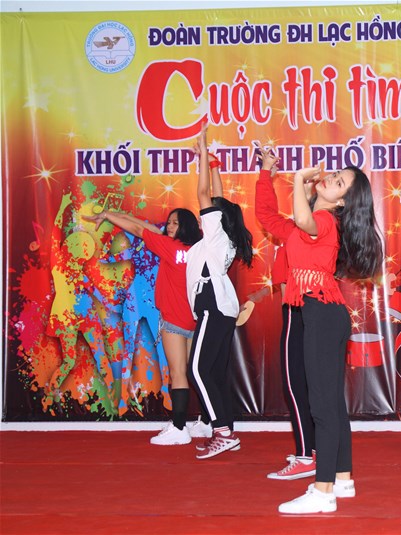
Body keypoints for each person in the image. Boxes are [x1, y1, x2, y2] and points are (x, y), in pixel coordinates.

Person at [272, 160, 382, 514]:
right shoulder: (324, 218)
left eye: (339, 182)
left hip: (322, 316)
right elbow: (293, 222)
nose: (331, 179)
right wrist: (304, 191)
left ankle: (323, 492)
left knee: (322, 406)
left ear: (342, 202)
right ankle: (343, 478)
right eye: (335, 175)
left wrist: (296, 180)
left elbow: (304, 221)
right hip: (326, 315)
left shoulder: (323, 220)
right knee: (332, 403)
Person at [84, 206, 210, 445]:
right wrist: (113, 214)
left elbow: (137, 229)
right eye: (169, 222)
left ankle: (179, 427)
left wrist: (108, 216)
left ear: (186, 226)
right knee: (196, 373)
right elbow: (146, 227)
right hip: (196, 320)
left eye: (175, 223)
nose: (169, 226)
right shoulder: (198, 249)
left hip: (174, 321)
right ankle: (206, 422)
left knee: (178, 373)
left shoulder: (170, 247)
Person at [187, 124, 253, 460]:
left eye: (212, 210)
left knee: (197, 370)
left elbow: (204, 195)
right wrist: (212, 163)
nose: (206, 210)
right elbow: (218, 197)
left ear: (217, 218)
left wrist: (202, 155)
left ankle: (222, 432)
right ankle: (225, 429)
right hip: (219, 308)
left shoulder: (216, 236)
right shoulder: (220, 237)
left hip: (213, 307)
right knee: (212, 371)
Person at [253, 143, 316, 479]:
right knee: (311, 385)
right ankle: (314, 451)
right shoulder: (318, 230)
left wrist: (268, 173)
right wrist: (267, 173)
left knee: (296, 385)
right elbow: (267, 214)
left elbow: (266, 214)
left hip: (299, 309)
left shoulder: (303, 231)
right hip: (314, 311)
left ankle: (306, 456)